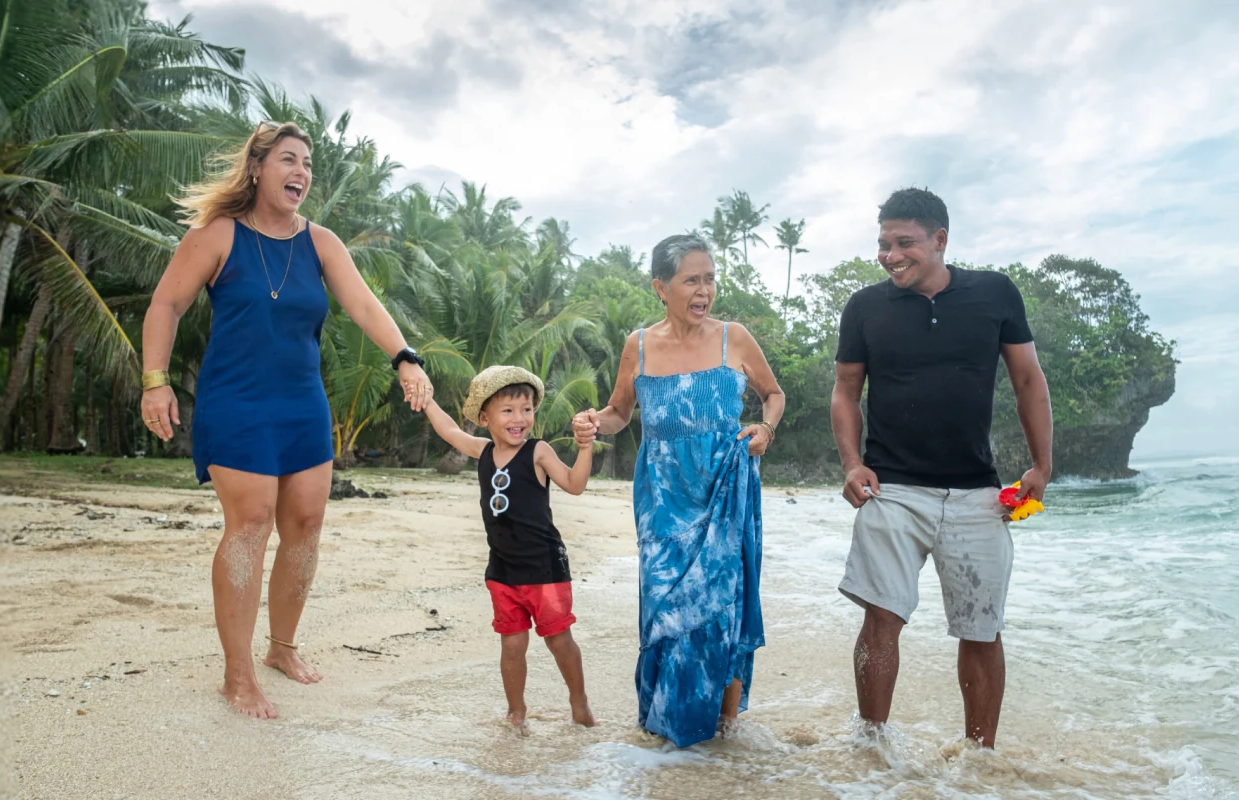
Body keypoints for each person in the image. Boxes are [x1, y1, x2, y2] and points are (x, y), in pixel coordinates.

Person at [136, 121, 434, 719]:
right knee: (250, 521)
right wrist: (156, 380)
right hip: (236, 400)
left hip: (302, 401)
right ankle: (237, 673)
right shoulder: (216, 235)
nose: (301, 172)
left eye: (307, 164)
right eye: (288, 160)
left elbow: (363, 304)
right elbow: (166, 304)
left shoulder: (321, 243)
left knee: (305, 523)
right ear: (257, 167)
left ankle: (282, 649)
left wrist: (404, 356)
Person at [830, 188, 1052, 748]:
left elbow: (1028, 378)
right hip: (892, 487)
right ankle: (870, 743)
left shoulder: (994, 293)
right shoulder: (865, 307)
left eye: (904, 243)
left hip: (977, 493)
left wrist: (1042, 464)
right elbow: (845, 390)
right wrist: (853, 464)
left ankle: (980, 757)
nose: (890, 255)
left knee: (981, 629)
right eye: (883, 244)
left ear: (940, 239)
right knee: (882, 616)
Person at [575, 234, 786, 748]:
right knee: (667, 609)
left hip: (726, 490)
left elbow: (773, 393)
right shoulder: (640, 345)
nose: (704, 290)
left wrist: (765, 428)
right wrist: (592, 422)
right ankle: (671, 728)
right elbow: (621, 411)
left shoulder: (733, 338)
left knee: (722, 608)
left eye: (710, 278)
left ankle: (726, 733)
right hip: (664, 502)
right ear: (660, 288)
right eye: (692, 279)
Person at [413, 366, 601, 730]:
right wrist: (427, 400)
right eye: (508, 410)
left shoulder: (538, 451)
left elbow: (575, 485)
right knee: (512, 647)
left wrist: (584, 447)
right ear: (485, 418)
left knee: (559, 641)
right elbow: (450, 431)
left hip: (545, 568)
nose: (520, 419)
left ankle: (579, 705)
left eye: (527, 410)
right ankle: (516, 712)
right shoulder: (482, 451)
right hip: (502, 570)